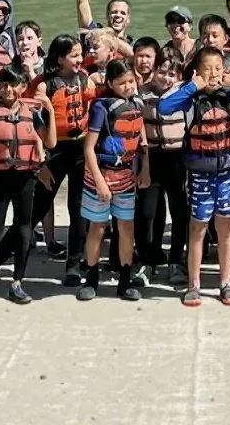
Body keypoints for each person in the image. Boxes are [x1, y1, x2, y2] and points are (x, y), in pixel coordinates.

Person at [156, 46, 230, 306]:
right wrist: (192, 86)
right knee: (197, 228)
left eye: (218, 69)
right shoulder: (190, 97)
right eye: (207, 69)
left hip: (229, 173)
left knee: (226, 227)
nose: (213, 74)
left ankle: (225, 283)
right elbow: (163, 107)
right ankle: (193, 285)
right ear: (198, 72)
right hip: (200, 174)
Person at [0, 65, 58, 306]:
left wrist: (49, 109)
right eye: (3, 84)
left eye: (12, 85)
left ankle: (17, 283)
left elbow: (50, 142)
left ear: (22, 88)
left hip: (25, 178)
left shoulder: (33, 111)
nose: (7, 89)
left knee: (23, 230)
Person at [78, 57, 149, 301]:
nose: (128, 86)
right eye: (122, 83)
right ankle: (91, 280)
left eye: (131, 81)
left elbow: (141, 142)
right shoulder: (101, 107)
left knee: (126, 227)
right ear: (110, 83)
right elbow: (89, 148)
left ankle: (125, 281)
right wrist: (98, 181)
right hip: (101, 176)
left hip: (126, 176)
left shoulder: (138, 104)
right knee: (97, 227)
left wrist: (144, 170)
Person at [32, 34, 96, 281]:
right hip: (55, 151)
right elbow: (34, 125)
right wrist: (41, 162)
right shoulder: (44, 85)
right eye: (74, 55)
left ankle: (73, 263)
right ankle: (9, 251)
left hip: (80, 149)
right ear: (59, 59)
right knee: (38, 205)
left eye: (81, 54)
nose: (81, 59)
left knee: (78, 208)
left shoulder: (84, 80)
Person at [138, 51, 189, 284]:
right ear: (154, 69)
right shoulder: (142, 94)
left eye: (171, 74)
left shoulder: (183, 95)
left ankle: (176, 261)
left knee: (179, 213)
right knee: (147, 213)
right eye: (162, 72)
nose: (165, 78)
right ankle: (147, 261)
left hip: (177, 159)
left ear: (178, 76)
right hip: (152, 158)